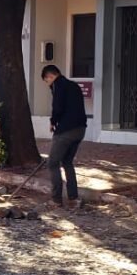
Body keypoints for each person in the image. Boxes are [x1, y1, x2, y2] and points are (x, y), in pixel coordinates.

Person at [41, 65, 87, 209]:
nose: (48, 84)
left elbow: (58, 107)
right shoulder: (74, 85)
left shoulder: (58, 85)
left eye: (47, 81)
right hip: (80, 129)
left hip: (66, 130)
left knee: (52, 163)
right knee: (67, 162)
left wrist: (53, 122)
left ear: (50, 76)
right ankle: (73, 199)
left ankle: (56, 200)